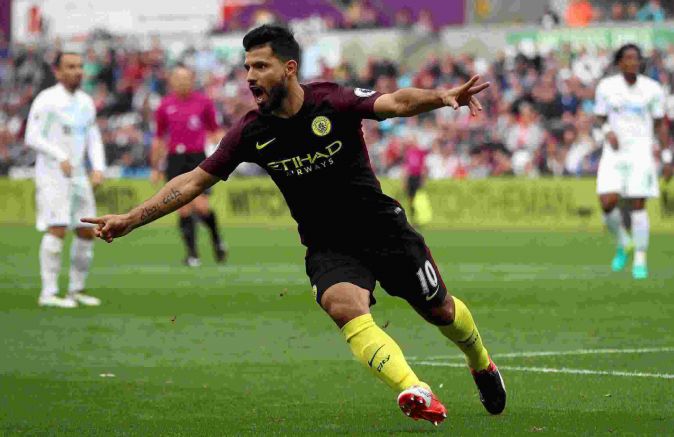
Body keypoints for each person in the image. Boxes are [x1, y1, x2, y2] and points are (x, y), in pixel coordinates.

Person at [83, 25, 506, 425]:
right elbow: (194, 180)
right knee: (343, 306)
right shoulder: (252, 131)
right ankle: (415, 389)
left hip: (383, 228)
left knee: (441, 311)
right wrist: (131, 219)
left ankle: (480, 362)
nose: (250, 77)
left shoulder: (333, 101)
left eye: (260, 66)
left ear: (289, 69)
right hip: (328, 243)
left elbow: (394, 103)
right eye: (246, 67)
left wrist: (442, 95)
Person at [25, 51, 106, 308]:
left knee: (86, 231)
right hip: (53, 174)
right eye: (70, 66)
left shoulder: (85, 101)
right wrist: (59, 155)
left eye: (80, 66)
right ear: (57, 71)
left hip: (79, 174)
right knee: (57, 228)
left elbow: (92, 136)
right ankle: (48, 293)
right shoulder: (47, 100)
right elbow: (32, 137)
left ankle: (76, 289)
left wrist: (99, 167)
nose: (77, 71)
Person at [594, 44, 671, 279]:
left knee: (638, 206)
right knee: (607, 201)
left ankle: (640, 259)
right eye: (627, 58)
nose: (632, 62)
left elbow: (660, 124)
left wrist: (667, 156)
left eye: (636, 58)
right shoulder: (607, 87)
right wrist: (608, 131)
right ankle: (623, 241)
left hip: (640, 150)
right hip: (614, 150)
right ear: (619, 63)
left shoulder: (652, 89)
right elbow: (600, 116)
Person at [152, 65, 227, 267]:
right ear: (172, 81)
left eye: (186, 78)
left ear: (192, 80)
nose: (182, 82)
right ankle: (192, 254)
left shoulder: (203, 102)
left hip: (197, 159)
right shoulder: (164, 105)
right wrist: (155, 167)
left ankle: (217, 240)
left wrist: (225, 154)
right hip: (175, 159)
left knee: (201, 207)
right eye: (178, 78)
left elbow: (215, 130)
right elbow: (159, 138)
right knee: (182, 208)